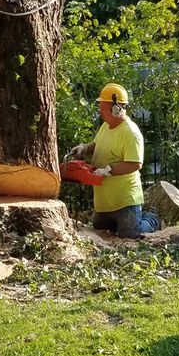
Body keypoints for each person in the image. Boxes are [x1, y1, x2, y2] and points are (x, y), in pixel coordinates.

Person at [71, 83, 160, 239]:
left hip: (125, 199)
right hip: (104, 200)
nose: (100, 112)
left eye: (102, 108)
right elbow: (97, 144)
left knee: (131, 234)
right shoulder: (106, 126)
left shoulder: (130, 133)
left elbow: (135, 164)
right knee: (100, 229)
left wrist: (108, 170)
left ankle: (152, 218)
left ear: (116, 108)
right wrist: (84, 148)